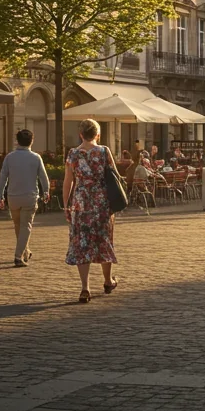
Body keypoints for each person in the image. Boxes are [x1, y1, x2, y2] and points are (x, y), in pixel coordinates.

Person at [63, 118, 118, 303]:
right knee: (104, 239)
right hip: (102, 202)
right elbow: (114, 176)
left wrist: (66, 204)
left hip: (81, 203)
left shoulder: (73, 154)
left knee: (82, 242)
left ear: (81, 134)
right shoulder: (103, 151)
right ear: (98, 135)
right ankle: (107, 281)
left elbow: (68, 181)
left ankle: (85, 288)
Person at [0, 129, 50, 267]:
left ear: (17, 141)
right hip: (29, 197)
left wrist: (0, 195)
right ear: (32, 141)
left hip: (13, 197)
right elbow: (43, 177)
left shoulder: (9, 157)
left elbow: (2, 177)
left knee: (18, 225)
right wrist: (46, 191)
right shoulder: (36, 158)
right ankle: (18, 256)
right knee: (26, 226)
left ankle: (25, 251)